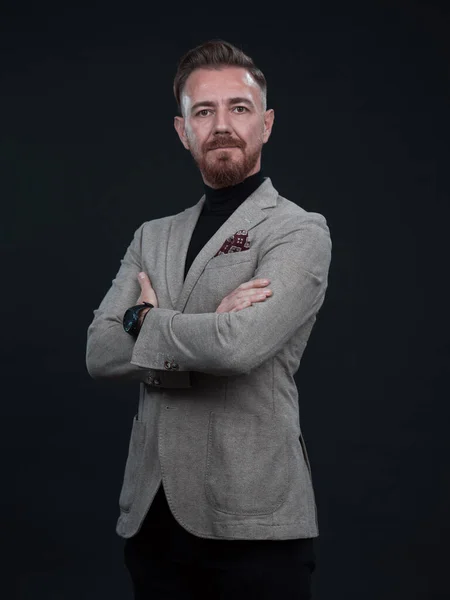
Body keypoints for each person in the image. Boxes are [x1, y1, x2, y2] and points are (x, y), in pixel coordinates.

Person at [86, 39, 332, 600]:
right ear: (183, 131)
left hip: (254, 520)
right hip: (152, 518)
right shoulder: (153, 236)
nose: (222, 125)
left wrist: (143, 320)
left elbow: (238, 348)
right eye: (204, 111)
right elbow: (98, 353)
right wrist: (202, 328)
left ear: (265, 124)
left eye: (238, 108)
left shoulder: (298, 231)